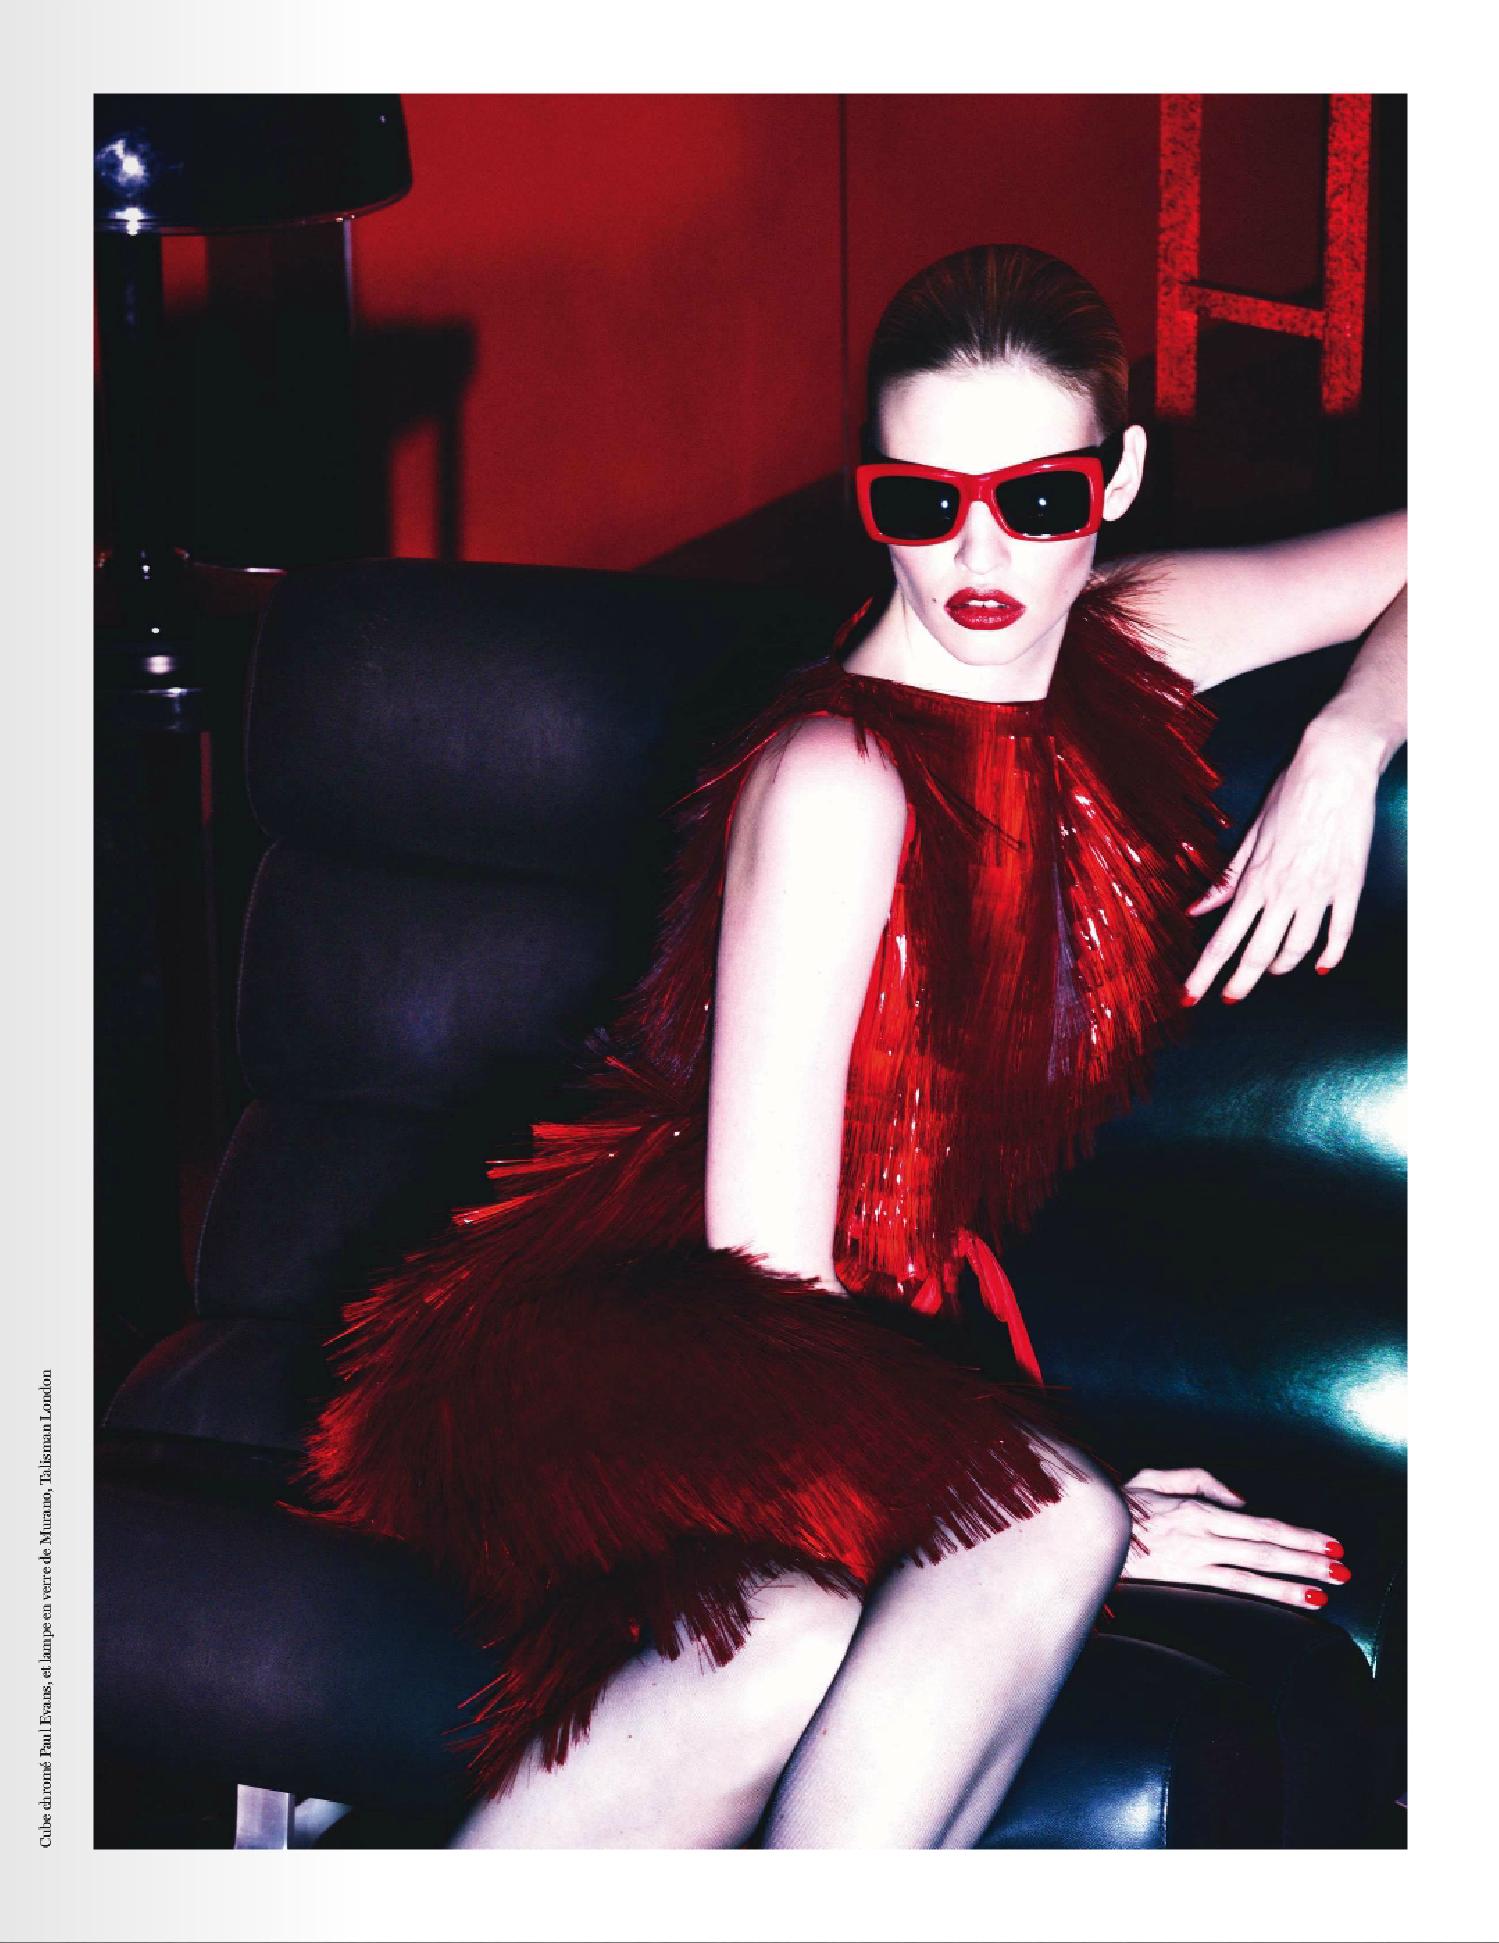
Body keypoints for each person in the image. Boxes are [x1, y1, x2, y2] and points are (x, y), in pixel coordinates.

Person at [284, 243, 1407, 1849]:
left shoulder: (1126, 648)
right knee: (1040, 1528)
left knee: (788, 1644)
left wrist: (1350, 740)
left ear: (1118, 479)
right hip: (648, 1325)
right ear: (868, 495)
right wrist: (1061, 1495)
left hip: (876, 1339)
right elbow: (766, 1282)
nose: (980, 556)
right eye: (921, 502)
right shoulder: (835, 775)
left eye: (1039, 499)